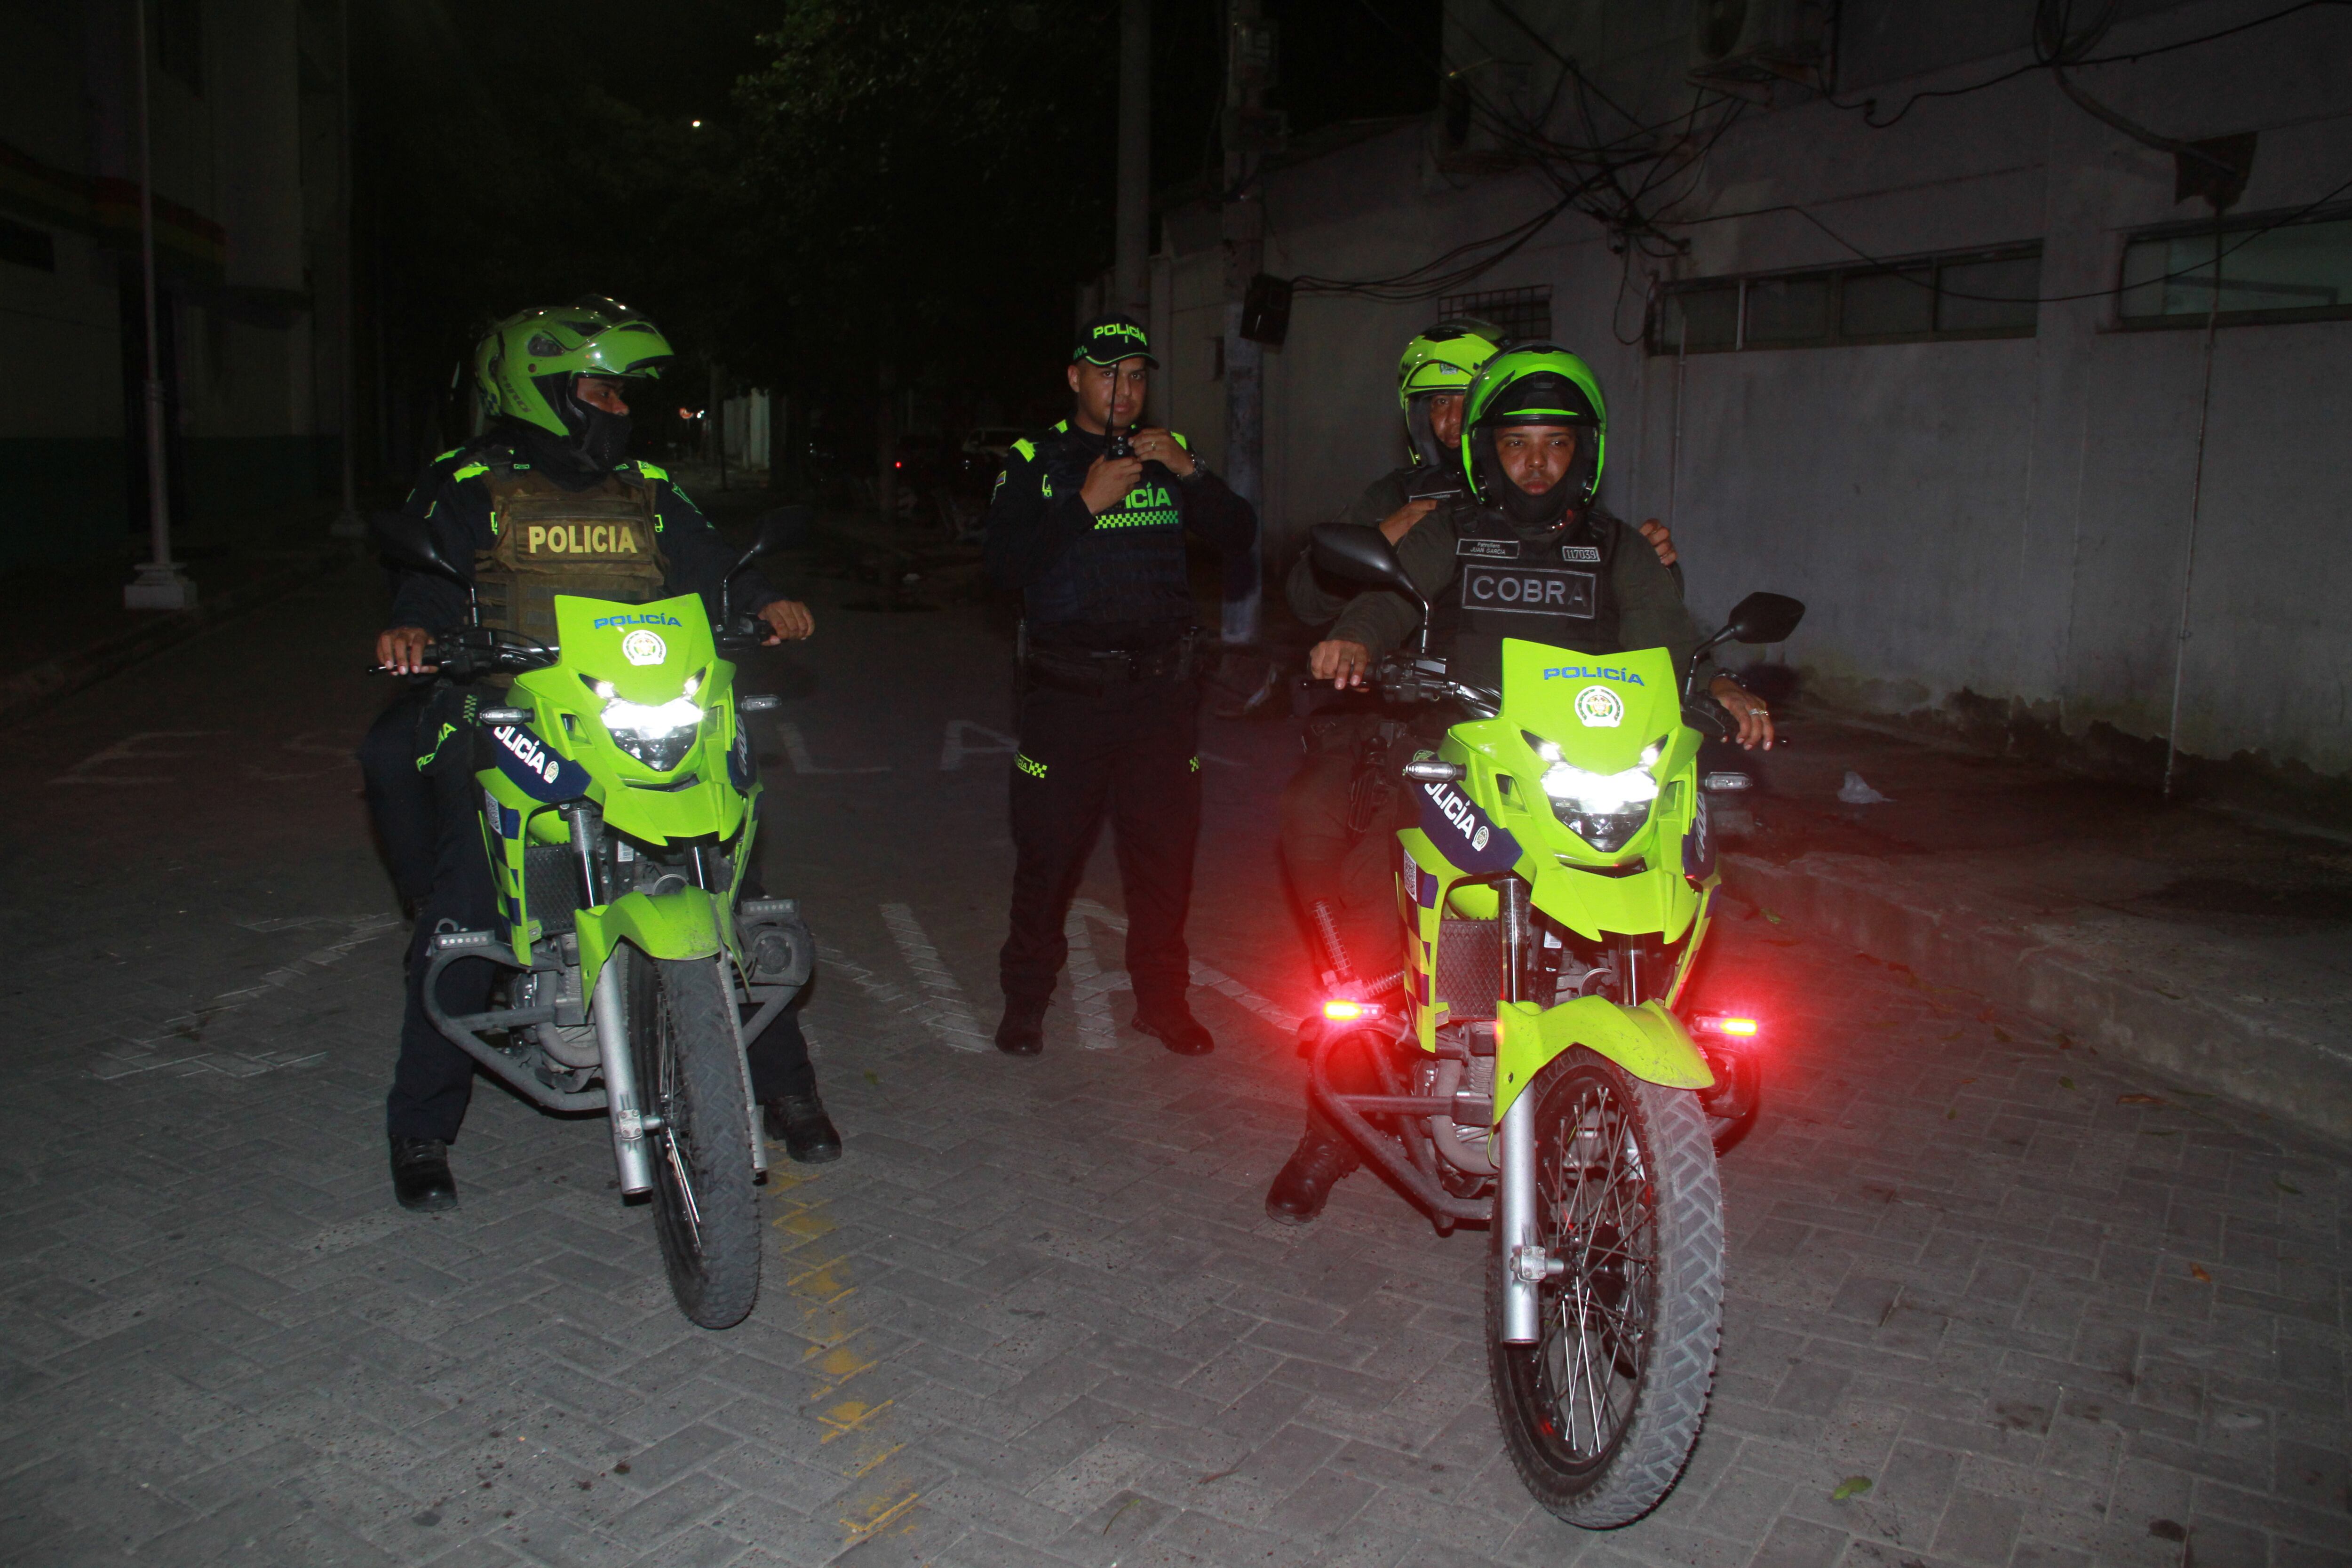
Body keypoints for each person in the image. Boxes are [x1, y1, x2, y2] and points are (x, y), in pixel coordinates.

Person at [1263, 342, 1771, 1225]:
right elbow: (1389, 600)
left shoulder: (1620, 546)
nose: (1537, 464)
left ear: (1585, 452)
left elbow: (1669, 637)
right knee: (1373, 920)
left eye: (1556, 444)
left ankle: (1633, 1092)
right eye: (1518, 444)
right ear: (1488, 450)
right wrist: (1357, 640)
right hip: (1463, 757)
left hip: (1581, 767)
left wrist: (1719, 686)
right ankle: (1334, 1125)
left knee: (1674, 866)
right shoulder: (1449, 529)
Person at [369, 297, 834, 1212]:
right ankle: (420, 1124)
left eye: (622, 395)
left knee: (725, 878)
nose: (618, 409)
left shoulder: (648, 487)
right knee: (469, 901)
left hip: (635, 709)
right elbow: (424, 581)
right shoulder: (467, 481)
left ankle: (787, 1088)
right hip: (517, 713)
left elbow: (714, 563)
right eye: (601, 391)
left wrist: (763, 599)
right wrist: (415, 630)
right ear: (537, 389)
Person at [982, 313, 1258, 1057]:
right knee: (1048, 858)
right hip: (1068, 696)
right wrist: (1082, 505)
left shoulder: (1167, 454)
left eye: (1136, 376)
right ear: (1075, 378)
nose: (1125, 390)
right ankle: (1026, 1001)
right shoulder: (1035, 460)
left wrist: (1191, 472)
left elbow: (1239, 533)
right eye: (1108, 374)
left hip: (1161, 697)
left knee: (1164, 861)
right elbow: (1003, 569)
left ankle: (1162, 1003)